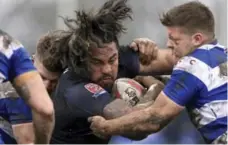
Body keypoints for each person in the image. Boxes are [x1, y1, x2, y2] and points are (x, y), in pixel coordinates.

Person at [89, 1, 227, 144]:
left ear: (197, 39)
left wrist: (108, 127)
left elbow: (154, 119)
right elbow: (186, 87)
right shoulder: (222, 55)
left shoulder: (191, 64)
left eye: (175, 40)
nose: (168, 44)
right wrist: (147, 77)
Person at [49, 0, 169, 144]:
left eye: (112, 60)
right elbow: (139, 127)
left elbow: (176, 60)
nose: (107, 69)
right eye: (97, 62)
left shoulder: (114, 56)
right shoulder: (77, 90)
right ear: (82, 61)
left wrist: (149, 49)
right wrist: (156, 88)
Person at [0, 31, 65, 144]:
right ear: (33, 60)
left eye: (54, 81)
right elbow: (27, 142)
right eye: (42, 77)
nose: (46, 86)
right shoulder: (19, 91)